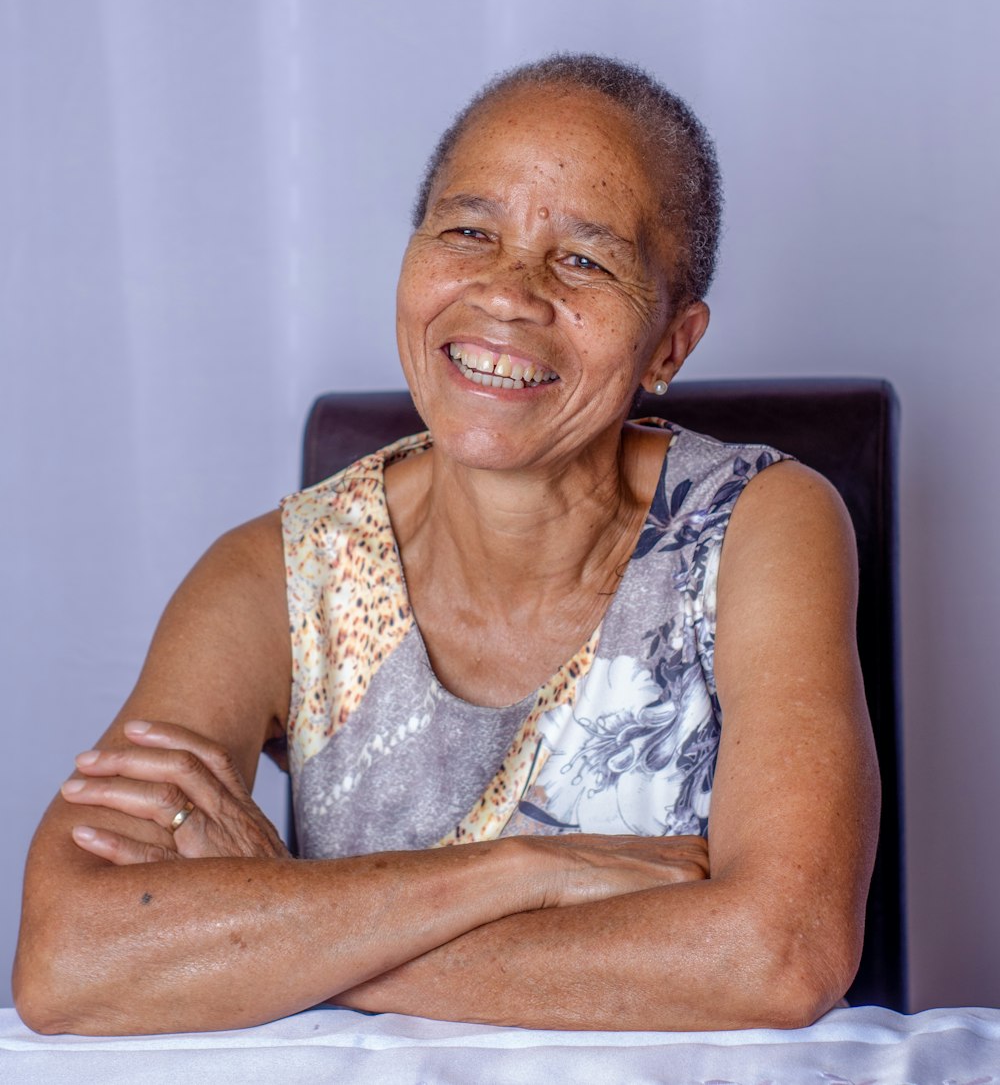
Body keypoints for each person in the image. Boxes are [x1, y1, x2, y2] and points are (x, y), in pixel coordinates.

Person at [13, 54, 879, 1036]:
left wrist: (278, 925)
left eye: (584, 259)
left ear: (670, 344)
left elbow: (780, 952)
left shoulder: (760, 522)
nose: (507, 293)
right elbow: (68, 959)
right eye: (469, 231)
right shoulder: (267, 576)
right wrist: (521, 872)